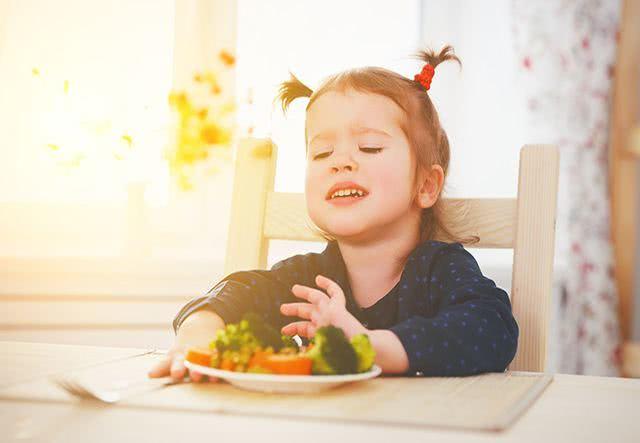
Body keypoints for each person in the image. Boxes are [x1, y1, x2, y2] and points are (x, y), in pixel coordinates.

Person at [148, 45, 519, 383]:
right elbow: (234, 294)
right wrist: (199, 333)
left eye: (369, 147)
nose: (341, 161)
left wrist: (370, 346)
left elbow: (492, 329)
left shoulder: (440, 270)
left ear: (425, 185)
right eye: (322, 153)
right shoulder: (309, 279)